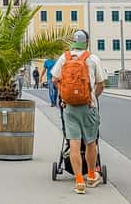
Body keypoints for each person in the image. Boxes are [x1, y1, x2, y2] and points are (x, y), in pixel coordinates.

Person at [52, 30, 105, 195]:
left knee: (73, 143)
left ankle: (79, 182)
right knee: (90, 142)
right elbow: (101, 84)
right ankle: (90, 175)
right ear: (87, 42)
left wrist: (64, 95)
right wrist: (92, 97)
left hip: (69, 107)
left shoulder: (64, 57)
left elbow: (54, 79)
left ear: (73, 42)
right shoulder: (92, 58)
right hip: (89, 107)